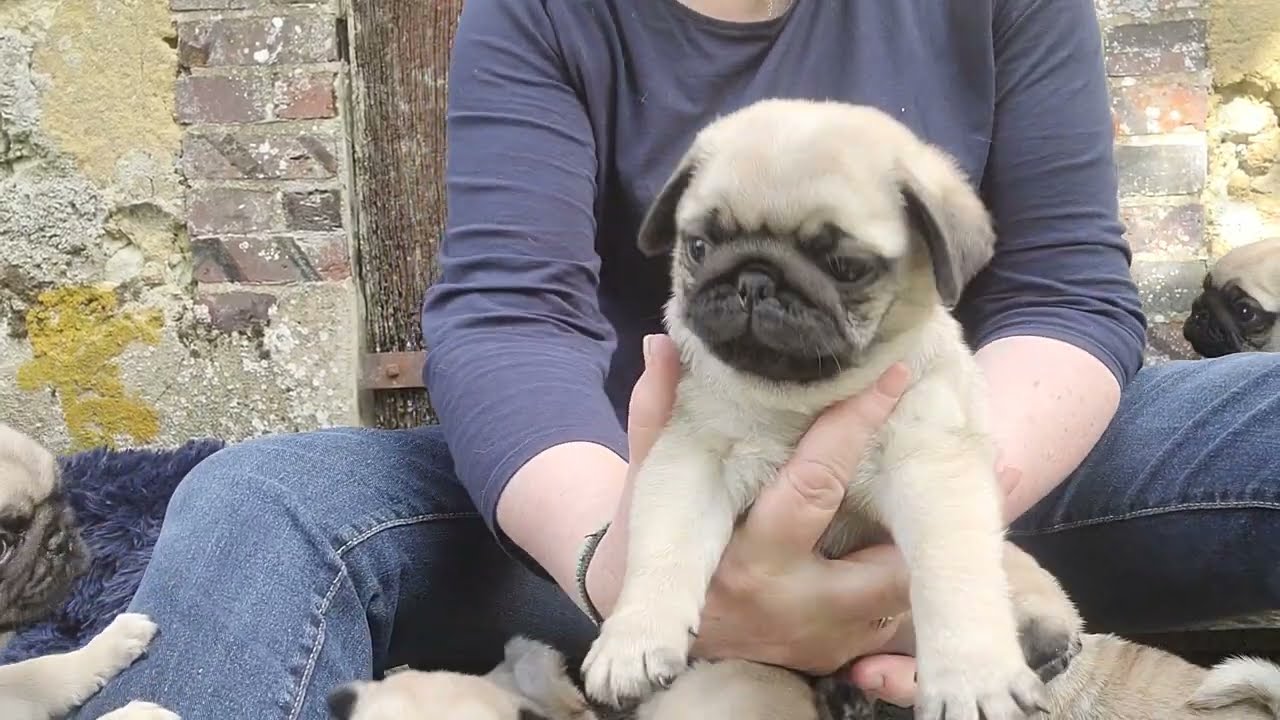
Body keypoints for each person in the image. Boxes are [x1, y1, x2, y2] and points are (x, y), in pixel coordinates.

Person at [74, 0, 1280, 717]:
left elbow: (1066, 290)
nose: (760, 287)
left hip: (977, 454)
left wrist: (930, 529)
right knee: (256, 492)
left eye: (832, 263)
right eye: (717, 249)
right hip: (623, 485)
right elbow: (503, 315)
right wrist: (641, 576)